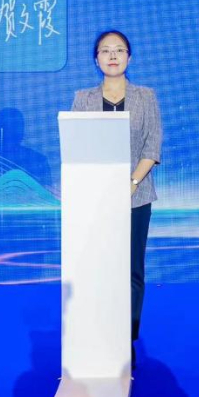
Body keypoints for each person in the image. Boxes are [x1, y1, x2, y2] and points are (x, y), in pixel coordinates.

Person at [71, 30, 161, 369]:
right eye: (105, 51)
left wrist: (131, 183)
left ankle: (126, 339)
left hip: (135, 197)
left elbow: (153, 145)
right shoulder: (82, 99)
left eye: (119, 50)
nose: (112, 56)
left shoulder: (146, 97)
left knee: (131, 269)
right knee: (98, 267)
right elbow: (76, 145)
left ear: (129, 57)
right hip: (93, 198)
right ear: (96, 59)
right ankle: (98, 334)